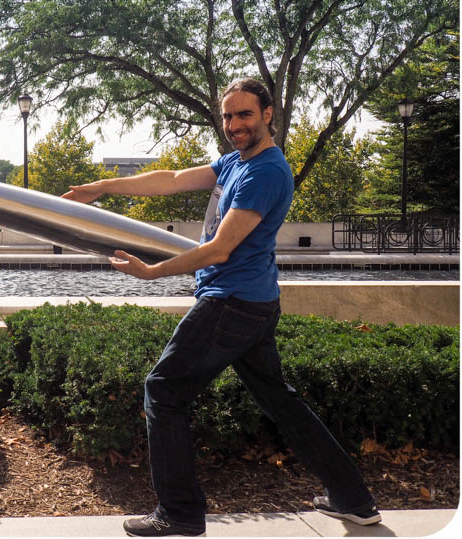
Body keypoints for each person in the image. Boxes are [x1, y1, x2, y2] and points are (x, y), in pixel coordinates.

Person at [62, 78, 379, 537]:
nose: (234, 125)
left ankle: (180, 512)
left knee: (164, 390)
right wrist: (101, 186)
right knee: (281, 403)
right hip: (253, 302)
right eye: (228, 116)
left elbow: (219, 250)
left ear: (268, 114)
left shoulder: (264, 172)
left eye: (244, 114)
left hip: (231, 303)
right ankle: (354, 500)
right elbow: (170, 180)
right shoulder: (235, 162)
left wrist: (152, 273)